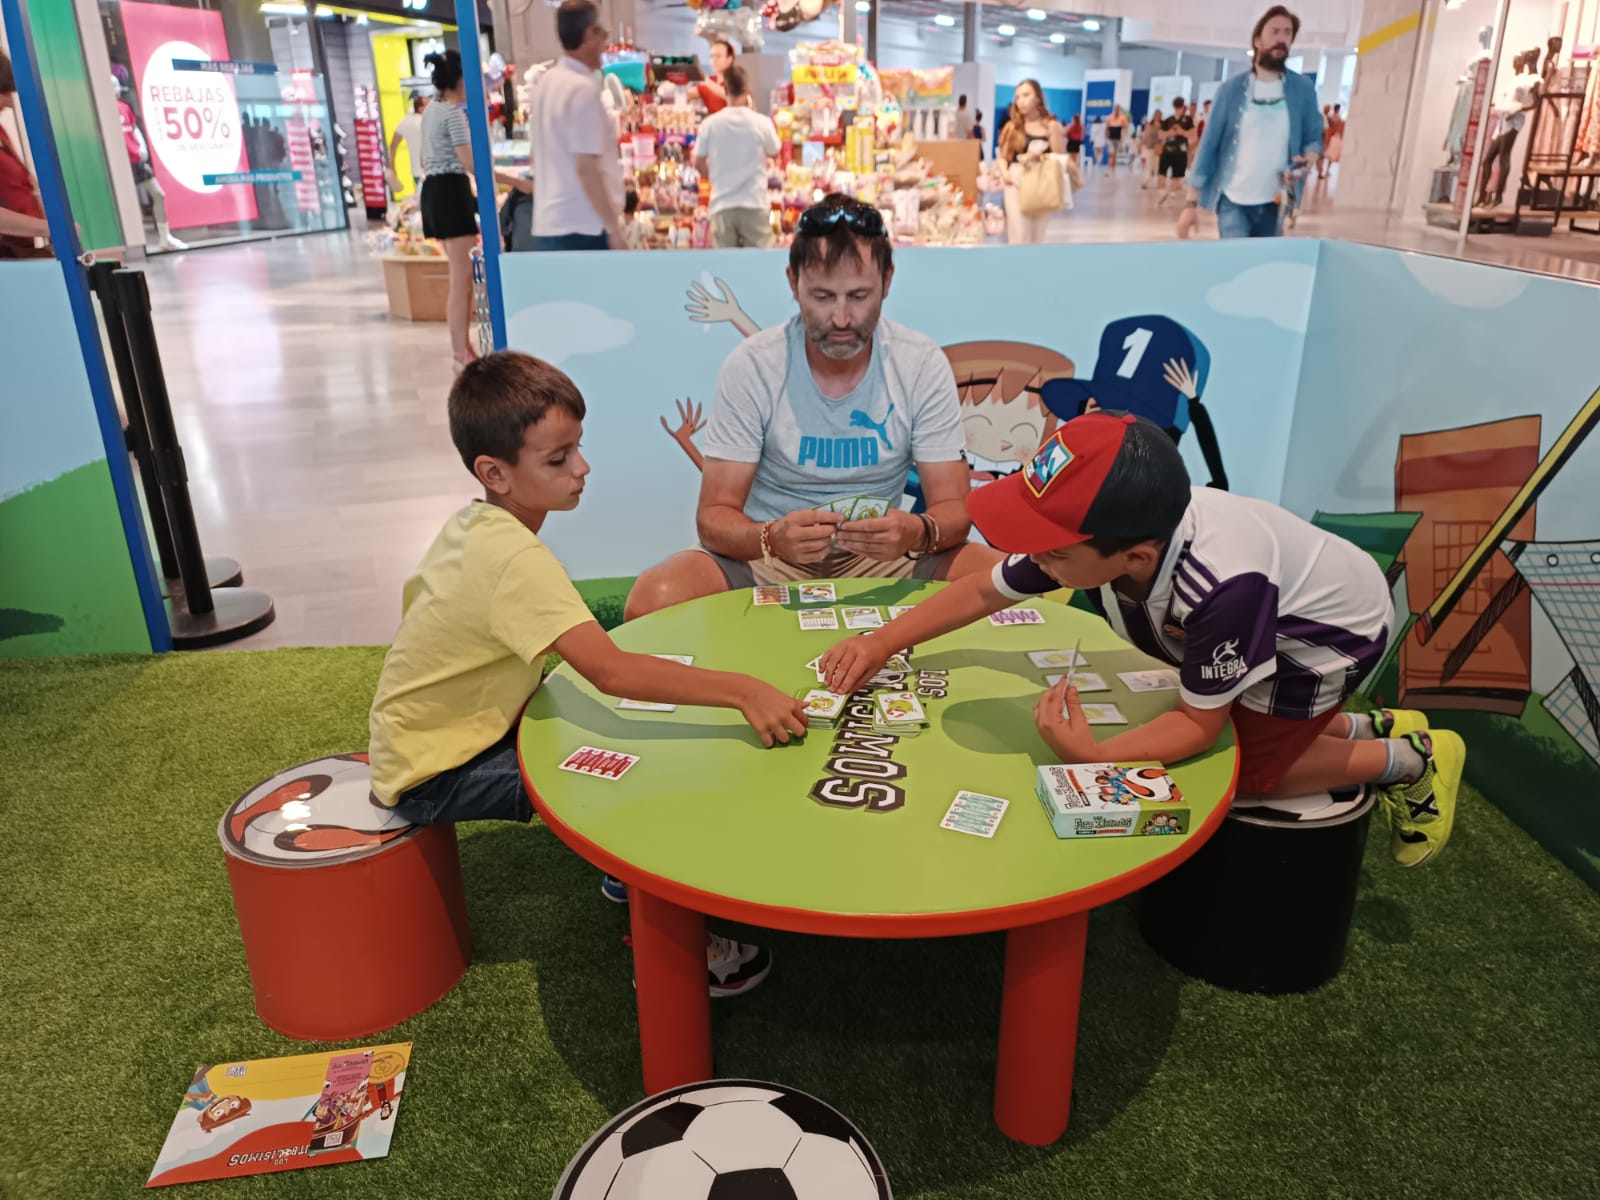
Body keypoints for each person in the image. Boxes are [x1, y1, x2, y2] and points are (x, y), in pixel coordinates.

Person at [818, 411, 1466, 869]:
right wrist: (882, 643)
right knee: (1227, 721)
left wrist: (1096, 755)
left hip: (1324, 638)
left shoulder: (1221, 589)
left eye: (1051, 553)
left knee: (1245, 770)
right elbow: (984, 591)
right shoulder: (1092, 538)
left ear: (1135, 558)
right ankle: (1367, 725)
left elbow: (1197, 725)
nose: (1032, 559)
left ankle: (1409, 758)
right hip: (1274, 605)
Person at [368, 352, 807, 995]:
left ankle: (622, 873)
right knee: (635, 765)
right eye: (558, 459)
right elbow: (611, 672)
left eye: (578, 448)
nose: (583, 468)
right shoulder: (515, 559)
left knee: (609, 727)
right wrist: (742, 690)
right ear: (494, 472)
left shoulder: (472, 525)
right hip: (435, 771)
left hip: (430, 735)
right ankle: (685, 937)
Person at [624, 194, 996, 620]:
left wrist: (917, 530)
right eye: (822, 296)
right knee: (653, 600)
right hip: (767, 558)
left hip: (888, 558)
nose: (841, 319)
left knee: (1008, 581)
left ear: (888, 281)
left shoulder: (921, 362)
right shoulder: (753, 365)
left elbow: (954, 509)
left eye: (859, 296)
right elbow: (713, 517)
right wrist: (772, 537)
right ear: (793, 282)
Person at [1180, 5, 1323, 239]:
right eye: (1275, 31)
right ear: (1257, 40)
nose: (1281, 39)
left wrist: (1307, 160)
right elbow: (1208, 145)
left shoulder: (1303, 89)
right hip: (1232, 201)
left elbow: (1313, 138)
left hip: (1276, 202)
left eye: (1287, 33)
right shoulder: (1230, 91)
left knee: (1265, 261)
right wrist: (1190, 204)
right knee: (1237, 259)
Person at [528, 0, 625, 251]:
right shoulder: (582, 88)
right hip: (583, 224)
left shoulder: (546, 83)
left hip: (550, 223)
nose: (605, 43)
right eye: (602, 34)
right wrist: (613, 228)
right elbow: (586, 168)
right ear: (589, 34)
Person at [417, 51, 482, 368]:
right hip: (452, 193)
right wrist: (512, 181)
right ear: (460, 80)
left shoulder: (431, 111)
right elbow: (469, 162)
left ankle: (462, 348)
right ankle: (461, 353)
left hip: (434, 191)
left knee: (459, 277)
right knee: (462, 279)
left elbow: (422, 160)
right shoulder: (453, 114)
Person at [693, 65, 779, 248]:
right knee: (761, 261)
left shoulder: (710, 124)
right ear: (748, 91)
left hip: (722, 204)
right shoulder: (761, 122)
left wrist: (712, 176)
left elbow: (698, 161)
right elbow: (774, 151)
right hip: (755, 202)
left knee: (725, 264)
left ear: (725, 90)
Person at [998, 79, 1065, 245]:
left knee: (1037, 236)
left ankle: (1033, 261)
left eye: (1026, 95)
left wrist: (1038, 157)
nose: (1021, 101)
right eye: (1018, 97)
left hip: (1042, 182)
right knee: (1019, 234)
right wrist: (1005, 174)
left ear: (1038, 98)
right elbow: (1003, 157)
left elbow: (1059, 157)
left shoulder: (1051, 126)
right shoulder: (1012, 127)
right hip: (1016, 181)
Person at [0, 49, 50, 258]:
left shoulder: (2, 133)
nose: (10, 102)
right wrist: (46, 228)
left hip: (17, 250)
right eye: (3, 92)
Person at [1154, 97, 1195, 207]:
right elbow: (1160, 135)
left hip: (1181, 151)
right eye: (1177, 107)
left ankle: (1167, 194)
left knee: (1176, 178)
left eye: (1180, 107)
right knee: (1161, 174)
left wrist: (1182, 132)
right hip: (1168, 150)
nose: (1179, 110)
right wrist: (1170, 133)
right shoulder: (1168, 120)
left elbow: (1193, 134)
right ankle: (1163, 193)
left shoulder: (1187, 120)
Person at [387, 92, 429, 196]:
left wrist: (392, 167)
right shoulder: (428, 121)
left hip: (417, 171)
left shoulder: (405, 121)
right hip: (434, 170)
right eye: (428, 105)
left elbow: (393, 146)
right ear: (421, 108)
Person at [698, 38, 736, 114]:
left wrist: (706, 81)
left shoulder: (737, 80)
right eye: (712, 56)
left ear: (729, 59)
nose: (714, 60)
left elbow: (732, 97)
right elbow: (687, 94)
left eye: (718, 56)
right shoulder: (709, 81)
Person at [1139, 109, 1163, 188]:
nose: (1157, 117)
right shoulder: (1149, 124)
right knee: (1148, 165)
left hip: (1158, 147)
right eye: (1156, 115)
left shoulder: (1162, 125)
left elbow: (1164, 136)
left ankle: (1157, 182)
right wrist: (1142, 145)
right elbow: (1146, 135)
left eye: (1159, 115)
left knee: (1157, 166)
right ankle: (1146, 182)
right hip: (1149, 146)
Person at [1105, 104, 1128, 171]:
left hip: (1118, 138)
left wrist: (1123, 138)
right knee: (1111, 153)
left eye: (1118, 109)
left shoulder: (1122, 118)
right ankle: (1109, 168)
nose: (1117, 110)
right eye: (1116, 109)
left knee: (1115, 154)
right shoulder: (1110, 117)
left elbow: (1124, 128)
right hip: (1110, 138)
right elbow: (1107, 128)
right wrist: (1106, 137)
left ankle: (1113, 168)